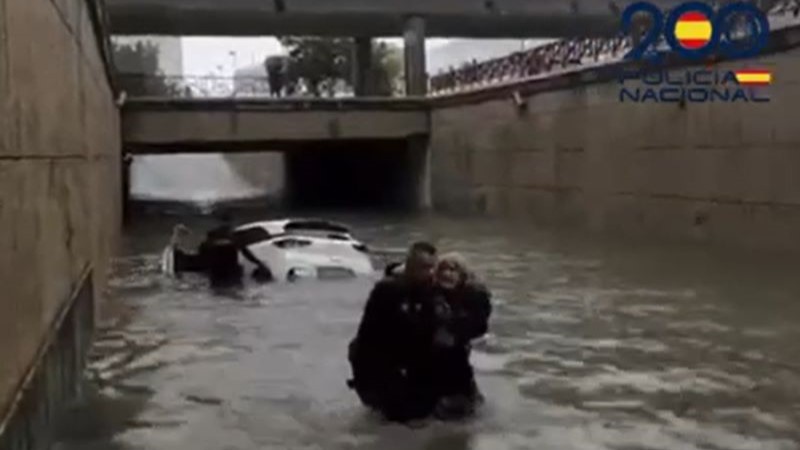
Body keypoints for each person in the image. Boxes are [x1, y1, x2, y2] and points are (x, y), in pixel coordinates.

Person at [348, 241, 440, 422]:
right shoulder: (388, 290)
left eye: (432, 268)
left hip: (401, 367)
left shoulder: (427, 292)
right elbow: (374, 335)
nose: (429, 273)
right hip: (377, 365)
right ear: (410, 266)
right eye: (423, 268)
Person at [428, 252, 492, 420]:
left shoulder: (475, 293)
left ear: (462, 274)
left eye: (452, 269)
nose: (447, 273)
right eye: (442, 269)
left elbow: (479, 325)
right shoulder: (432, 292)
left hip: (459, 346)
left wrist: (454, 332)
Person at [197, 213, 273, 287]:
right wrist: (258, 262)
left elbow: (202, 252)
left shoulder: (213, 237)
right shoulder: (232, 236)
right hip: (229, 271)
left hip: (219, 272)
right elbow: (245, 252)